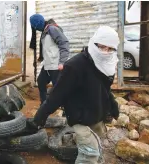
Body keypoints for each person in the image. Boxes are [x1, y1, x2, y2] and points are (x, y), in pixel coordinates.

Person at [28, 26, 120, 163]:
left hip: (97, 115)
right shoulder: (75, 66)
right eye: (101, 47)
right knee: (90, 155)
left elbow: (105, 89)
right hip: (79, 116)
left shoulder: (107, 64)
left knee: (97, 146)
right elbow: (57, 95)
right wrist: (40, 117)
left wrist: (113, 107)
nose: (105, 52)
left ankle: (74, 139)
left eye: (110, 49)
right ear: (94, 43)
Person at [29, 14, 70, 104]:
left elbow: (64, 44)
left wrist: (62, 62)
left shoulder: (52, 29)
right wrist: (40, 59)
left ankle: (66, 109)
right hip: (48, 65)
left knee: (59, 89)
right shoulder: (45, 31)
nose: (34, 28)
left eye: (34, 26)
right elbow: (48, 48)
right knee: (41, 82)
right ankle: (44, 104)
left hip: (56, 66)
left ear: (37, 24)